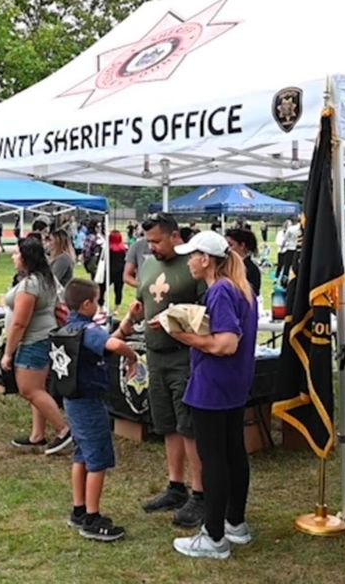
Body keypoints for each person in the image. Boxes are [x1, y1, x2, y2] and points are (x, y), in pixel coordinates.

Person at [164, 231, 258, 560]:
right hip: (234, 385)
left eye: (192, 254)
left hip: (213, 386)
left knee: (213, 459)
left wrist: (183, 336)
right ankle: (235, 523)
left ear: (206, 260)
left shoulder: (219, 290)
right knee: (233, 453)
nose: (187, 260)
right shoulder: (239, 287)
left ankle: (214, 536)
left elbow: (226, 343)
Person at [112, 212, 208, 529]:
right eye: (148, 241)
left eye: (156, 241)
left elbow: (205, 315)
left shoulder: (193, 266)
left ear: (174, 235)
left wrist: (174, 319)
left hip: (184, 355)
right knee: (166, 422)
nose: (151, 247)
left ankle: (201, 493)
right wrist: (129, 324)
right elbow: (141, 303)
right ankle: (175, 485)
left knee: (189, 424)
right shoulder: (149, 264)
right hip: (155, 354)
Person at [62, 279, 140, 542]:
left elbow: (108, 341)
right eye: (96, 301)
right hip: (90, 402)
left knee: (81, 454)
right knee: (97, 459)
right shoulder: (87, 329)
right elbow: (114, 346)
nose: (97, 305)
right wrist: (132, 356)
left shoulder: (70, 328)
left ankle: (79, 509)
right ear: (86, 304)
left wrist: (128, 321)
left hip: (73, 401)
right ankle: (93, 518)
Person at [1, 236, 72, 453]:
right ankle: (37, 435)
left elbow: (20, 322)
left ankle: (64, 430)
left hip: (33, 341)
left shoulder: (31, 285)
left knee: (29, 389)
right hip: (43, 338)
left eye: (16, 254)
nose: (13, 257)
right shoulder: (45, 278)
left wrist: (8, 353)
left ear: (24, 258)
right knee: (38, 389)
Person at [225, 228, 262, 300]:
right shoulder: (225, 265)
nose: (228, 249)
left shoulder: (251, 269)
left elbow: (253, 294)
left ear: (242, 245)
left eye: (231, 245)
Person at [108, 230, 128, 309]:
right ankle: (117, 308)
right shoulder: (124, 249)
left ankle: (101, 305)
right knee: (118, 291)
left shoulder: (108, 249)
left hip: (110, 272)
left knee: (102, 288)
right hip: (120, 272)